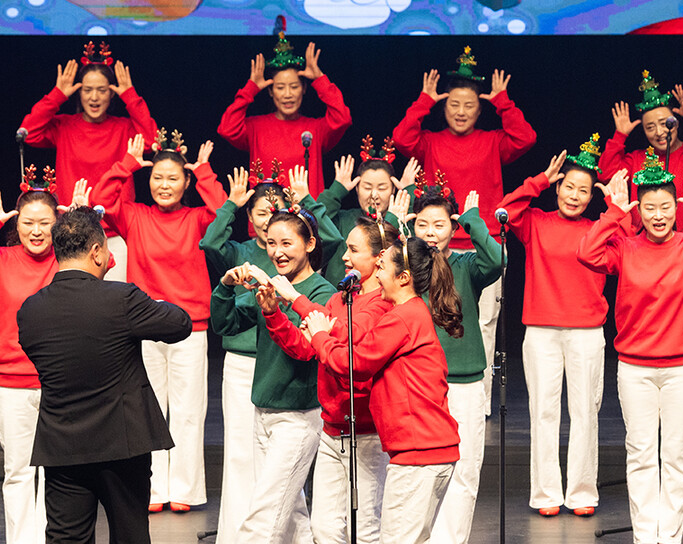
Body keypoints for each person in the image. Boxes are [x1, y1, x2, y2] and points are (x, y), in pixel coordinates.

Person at [17, 206, 191, 544]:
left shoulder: (31, 310)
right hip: (123, 444)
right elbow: (179, 324)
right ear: (97, 251)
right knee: (131, 541)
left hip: (63, 446)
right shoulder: (121, 299)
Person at [303, 234, 463, 544]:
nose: (376, 269)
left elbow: (353, 363)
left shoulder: (405, 316)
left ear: (403, 276)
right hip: (425, 451)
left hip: (421, 452)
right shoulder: (405, 314)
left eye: (384, 264)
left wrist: (320, 337)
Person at [578, 157, 683, 544]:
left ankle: (669, 535)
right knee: (641, 451)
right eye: (649, 207)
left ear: (675, 207)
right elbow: (586, 252)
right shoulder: (626, 247)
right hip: (635, 368)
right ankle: (644, 534)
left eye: (665, 206)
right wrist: (615, 212)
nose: (658, 215)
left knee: (677, 452)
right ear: (640, 210)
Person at [260, 216, 395, 544]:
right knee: (324, 528)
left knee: (365, 530)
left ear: (379, 258)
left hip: (365, 432)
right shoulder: (342, 299)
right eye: (347, 249)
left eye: (354, 250)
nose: (346, 257)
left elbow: (346, 340)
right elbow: (308, 347)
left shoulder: (381, 305)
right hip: (333, 428)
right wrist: (274, 313)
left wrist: (295, 298)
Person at [210, 188, 335, 544]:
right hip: (263, 410)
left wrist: (280, 300)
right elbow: (225, 324)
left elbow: (306, 348)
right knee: (290, 509)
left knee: (263, 508)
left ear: (310, 244)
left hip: (299, 418)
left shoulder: (320, 292)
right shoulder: (268, 283)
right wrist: (226, 287)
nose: (278, 251)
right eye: (271, 242)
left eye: (288, 243)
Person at [392, 47, 536, 413]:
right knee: (427, 319)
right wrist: (424, 100)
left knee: (482, 323)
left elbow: (525, 138)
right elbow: (402, 138)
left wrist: (502, 102)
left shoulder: (492, 140)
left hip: (477, 248)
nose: (460, 111)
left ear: (479, 109)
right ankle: (430, 390)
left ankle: (479, 399)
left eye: (469, 105)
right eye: (454, 104)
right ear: (444, 107)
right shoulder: (431, 141)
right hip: (432, 246)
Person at [0, 177, 86, 544]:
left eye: (45, 222)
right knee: (18, 469)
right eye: (28, 222)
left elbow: (104, 263)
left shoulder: (66, 260)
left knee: (56, 471)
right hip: (12, 381)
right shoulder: (2, 258)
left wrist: (78, 220)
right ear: (17, 224)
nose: (36, 231)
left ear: (56, 223)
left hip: (59, 381)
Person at [94, 133, 227, 512]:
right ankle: (152, 489)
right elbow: (100, 202)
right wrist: (127, 165)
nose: (164, 185)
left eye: (172, 178)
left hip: (190, 327)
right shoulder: (135, 215)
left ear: (185, 183)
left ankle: (184, 490)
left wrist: (204, 171)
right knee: (147, 409)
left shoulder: (196, 219)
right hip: (145, 326)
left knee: (188, 411)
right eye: (157, 177)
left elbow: (223, 212)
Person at [389, 178, 501, 544]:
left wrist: (473, 219)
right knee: (415, 469)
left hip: (464, 382)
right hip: (416, 380)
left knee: (464, 467)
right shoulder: (405, 268)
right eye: (423, 225)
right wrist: (394, 225)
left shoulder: (467, 265)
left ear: (452, 228)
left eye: (439, 225)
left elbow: (497, 259)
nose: (431, 233)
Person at [499, 139, 611, 518]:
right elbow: (504, 211)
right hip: (542, 331)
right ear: (558, 188)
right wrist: (540, 180)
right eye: (569, 187)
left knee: (584, 412)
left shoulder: (598, 228)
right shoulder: (537, 222)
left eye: (584, 190)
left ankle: (581, 492)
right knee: (544, 412)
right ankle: (547, 492)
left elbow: (629, 227)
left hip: (586, 331)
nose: (574, 196)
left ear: (592, 196)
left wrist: (613, 201)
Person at [19, 41, 157, 282]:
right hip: (71, 233)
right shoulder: (64, 126)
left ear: (111, 93)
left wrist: (129, 95)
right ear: (79, 92)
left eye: (102, 90)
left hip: (115, 235)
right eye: (87, 89)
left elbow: (152, 140)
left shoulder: (123, 128)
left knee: (114, 303)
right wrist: (58, 94)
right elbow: (28, 133)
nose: (94, 97)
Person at [199, 166, 282, 544]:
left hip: (279, 360)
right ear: (250, 218)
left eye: (276, 212)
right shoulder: (240, 251)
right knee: (239, 452)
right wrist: (230, 205)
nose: (268, 220)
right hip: (241, 362)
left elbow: (330, 240)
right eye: (261, 213)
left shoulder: (291, 253)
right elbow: (210, 243)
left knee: (276, 457)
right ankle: (235, 543)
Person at [599, 71, 683, 293]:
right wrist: (620, 135)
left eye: (665, 123)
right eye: (650, 127)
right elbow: (606, 173)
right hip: (645, 249)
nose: (659, 132)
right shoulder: (637, 158)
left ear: (676, 123)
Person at [217, 24, 351, 200]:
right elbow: (227, 128)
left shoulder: (315, 128)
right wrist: (250, 89)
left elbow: (342, 118)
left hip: (307, 215)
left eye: (294, 86)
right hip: (266, 213)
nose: (288, 94)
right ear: (271, 91)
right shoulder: (256, 127)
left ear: (304, 88)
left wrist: (320, 80)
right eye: (280, 87)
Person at [315, 144, 419, 284]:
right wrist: (337, 190)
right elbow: (315, 221)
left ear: (393, 190)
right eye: (367, 187)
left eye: (382, 188)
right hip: (339, 294)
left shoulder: (402, 222)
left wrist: (408, 194)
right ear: (357, 188)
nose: (374, 195)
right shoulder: (342, 220)